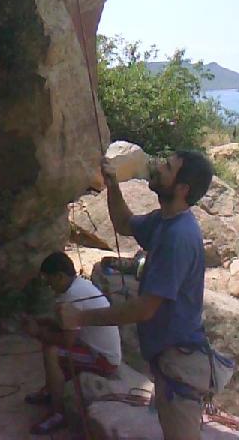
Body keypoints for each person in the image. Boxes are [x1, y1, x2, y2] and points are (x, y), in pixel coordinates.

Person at [58, 150, 214, 440]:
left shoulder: (179, 236)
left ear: (182, 189)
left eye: (167, 168)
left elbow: (144, 309)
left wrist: (80, 316)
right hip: (169, 357)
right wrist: (113, 184)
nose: (158, 168)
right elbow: (124, 223)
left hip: (180, 362)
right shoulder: (164, 221)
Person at [23, 251, 121, 436]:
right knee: (51, 344)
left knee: (52, 351)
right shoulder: (79, 286)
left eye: (48, 280)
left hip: (103, 359)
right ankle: (50, 390)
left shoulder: (73, 295)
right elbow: (66, 325)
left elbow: (67, 340)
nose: (48, 285)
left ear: (60, 276)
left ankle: (58, 413)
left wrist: (37, 332)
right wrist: (42, 321)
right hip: (94, 349)